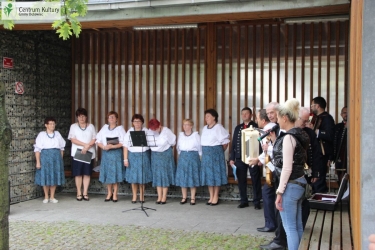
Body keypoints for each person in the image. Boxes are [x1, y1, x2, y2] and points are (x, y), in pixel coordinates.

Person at [273, 98, 309, 250]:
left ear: (285, 118)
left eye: (278, 118)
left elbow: (287, 168)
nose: (277, 121)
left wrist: (280, 192)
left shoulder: (288, 137)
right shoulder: (301, 134)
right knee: (298, 226)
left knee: (290, 228)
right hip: (301, 183)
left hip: (290, 186)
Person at [249, 109, 277, 233]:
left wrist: (257, 160)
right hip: (273, 165)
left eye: (257, 118)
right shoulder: (271, 127)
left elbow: (270, 148)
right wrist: (262, 160)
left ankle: (271, 223)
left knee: (267, 193)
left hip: (274, 167)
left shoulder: (267, 130)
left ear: (263, 120)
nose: (256, 120)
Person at [229, 107, 261, 209]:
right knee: (241, 180)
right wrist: (232, 158)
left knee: (255, 179)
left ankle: (257, 202)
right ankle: (243, 200)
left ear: (251, 115)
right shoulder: (238, 128)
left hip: (253, 157)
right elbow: (234, 144)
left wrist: (260, 158)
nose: (244, 115)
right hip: (240, 158)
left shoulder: (256, 126)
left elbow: (260, 143)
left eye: (246, 113)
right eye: (242, 114)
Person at [200, 109, 230, 206]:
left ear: (214, 117)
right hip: (206, 154)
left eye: (208, 116)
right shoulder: (204, 128)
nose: (206, 118)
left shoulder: (218, 127)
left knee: (216, 174)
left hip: (215, 154)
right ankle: (211, 196)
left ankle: (216, 196)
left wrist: (219, 152)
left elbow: (225, 142)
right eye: (205, 116)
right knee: (209, 175)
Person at [306, 96, 335, 193]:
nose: (311, 107)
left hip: (322, 152)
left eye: (312, 105)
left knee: (319, 177)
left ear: (317, 106)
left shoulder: (327, 118)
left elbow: (330, 135)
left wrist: (315, 130)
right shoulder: (316, 118)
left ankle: (320, 199)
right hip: (315, 152)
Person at [34, 117, 66, 204]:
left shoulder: (58, 134)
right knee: (45, 176)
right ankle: (46, 196)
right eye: (50, 124)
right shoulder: (41, 135)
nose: (52, 125)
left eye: (53, 124)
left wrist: (60, 159)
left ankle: (52, 196)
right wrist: (38, 161)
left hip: (56, 158)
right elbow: (37, 149)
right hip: (45, 157)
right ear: (46, 125)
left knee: (54, 176)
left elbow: (61, 148)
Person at [96, 111, 126, 202]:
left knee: (115, 174)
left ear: (116, 119)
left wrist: (113, 146)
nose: (111, 119)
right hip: (107, 154)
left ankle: (115, 194)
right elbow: (98, 140)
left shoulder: (120, 129)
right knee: (108, 174)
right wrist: (104, 147)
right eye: (109, 117)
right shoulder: (104, 128)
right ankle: (109, 193)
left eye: (113, 117)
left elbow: (124, 142)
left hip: (116, 153)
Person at [68, 108, 97, 201]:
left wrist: (87, 147)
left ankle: (85, 192)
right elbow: (73, 139)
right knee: (78, 174)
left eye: (83, 116)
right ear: (77, 117)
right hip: (77, 152)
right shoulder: (73, 126)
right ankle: (79, 192)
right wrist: (85, 145)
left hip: (89, 152)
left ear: (86, 117)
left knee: (87, 173)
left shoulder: (91, 126)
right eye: (79, 116)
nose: (81, 118)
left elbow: (94, 138)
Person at [123, 114, 152, 203]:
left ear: (142, 122)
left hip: (143, 155)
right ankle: (134, 196)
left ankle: (142, 196)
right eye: (135, 121)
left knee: (142, 177)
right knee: (133, 178)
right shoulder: (129, 132)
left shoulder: (146, 131)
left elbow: (151, 143)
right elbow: (125, 146)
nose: (137, 123)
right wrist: (125, 159)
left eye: (139, 121)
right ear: (132, 123)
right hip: (132, 156)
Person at [148, 119, 176, 204]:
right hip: (155, 155)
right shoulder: (150, 131)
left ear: (159, 126)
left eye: (155, 129)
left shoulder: (167, 131)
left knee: (164, 175)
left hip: (165, 155)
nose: (154, 131)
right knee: (157, 175)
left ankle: (164, 196)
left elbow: (173, 143)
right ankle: (159, 196)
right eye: (153, 129)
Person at [175, 118, 202, 205]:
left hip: (193, 156)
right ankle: (184, 197)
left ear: (191, 126)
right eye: (184, 125)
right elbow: (178, 147)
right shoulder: (181, 135)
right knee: (183, 176)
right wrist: (182, 155)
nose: (185, 126)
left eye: (187, 125)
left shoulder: (195, 135)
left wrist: (198, 157)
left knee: (192, 176)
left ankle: (193, 197)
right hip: (183, 156)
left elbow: (199, 147)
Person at [332, 106, 348, 183]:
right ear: (341, 114)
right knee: (341, 178)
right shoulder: (337, 127)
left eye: (348, 112)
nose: (346, 114)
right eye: (344, 113)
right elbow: (333, 143)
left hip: (350, 157)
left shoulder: (355, 126)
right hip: (339, 156)